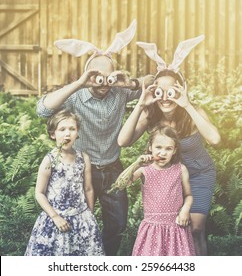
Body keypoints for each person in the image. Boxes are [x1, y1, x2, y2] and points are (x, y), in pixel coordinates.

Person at [36, 20, 153, 255]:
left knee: (118, 225)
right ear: (88, 74)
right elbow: (43, 109)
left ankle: (103, 261)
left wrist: (129, 82)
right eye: (97, 77)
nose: (103, 83)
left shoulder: (120, 90)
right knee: (76, 224)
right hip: (80, 169)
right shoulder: (75, 95)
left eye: (107, 77)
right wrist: (79, 82)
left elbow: (153, 81)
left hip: (112, 169)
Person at [118, 35, 221, 255]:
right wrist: (140, 105)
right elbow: (123, 141)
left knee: (195, 228)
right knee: (173, 227)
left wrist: (187, 103)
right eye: (159, 91)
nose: (165, 97)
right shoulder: (151, 114)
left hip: (199, 174)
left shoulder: (193, 113)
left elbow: (215, 139)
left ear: (181, 89)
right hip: (169, 176)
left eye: (171, 91)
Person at [25, 109, 104, 256]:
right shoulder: (50, 160)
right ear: (53, 134)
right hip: (55, 219)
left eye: (72, 129)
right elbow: (39, 193)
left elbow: (88, 188)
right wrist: (55, 217)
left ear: (77, 133)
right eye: (62, 129)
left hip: (81, 218)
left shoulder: (83, 158)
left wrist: (89, 214)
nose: (67, 134)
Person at [124, 125, 195, 256]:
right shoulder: (144, 170)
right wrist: (137, 164)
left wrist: (185, 209)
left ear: (174, 150)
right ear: (150, 147)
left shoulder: (180, 169)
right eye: (158, 147)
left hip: (176, 228)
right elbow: (123, 182)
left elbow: (189, 195)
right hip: (152, 230)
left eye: (168, 149)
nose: (162, 153)